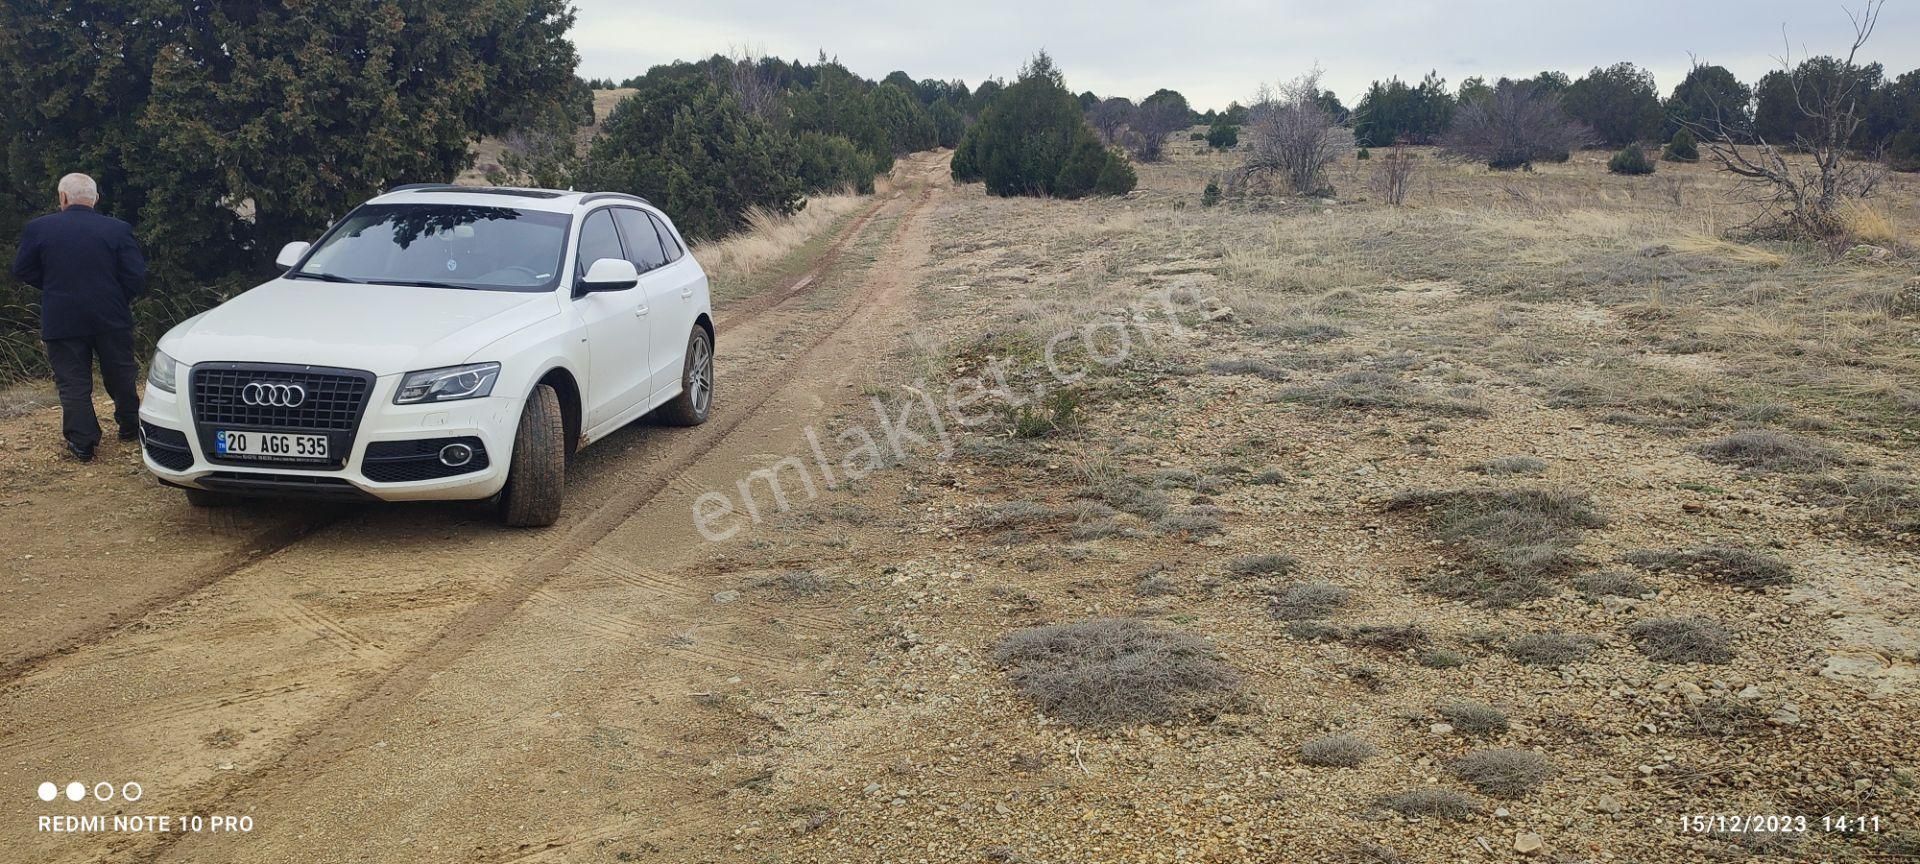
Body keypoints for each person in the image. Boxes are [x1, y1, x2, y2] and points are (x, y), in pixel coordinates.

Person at [9, 173, 147, 461]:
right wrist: (116, 296)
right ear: (95, 199)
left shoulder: (39, 228)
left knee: (72, 381)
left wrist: (54, 286)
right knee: (120, 373)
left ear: (62, 198)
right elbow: (135, 275)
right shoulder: (118, 229)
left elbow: (22, 269)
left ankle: (83, 443)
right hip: (111, 314)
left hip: (62, 316)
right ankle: (131, 427)